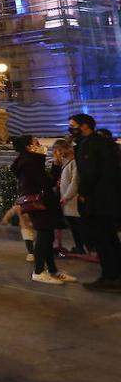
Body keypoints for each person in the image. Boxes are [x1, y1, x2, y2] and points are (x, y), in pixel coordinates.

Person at [11, 135, 73, 285]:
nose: (40, 144)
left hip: (42, 202)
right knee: (44, 237)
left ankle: (52, 271)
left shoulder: (30, 160)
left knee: (48, 237)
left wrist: (56, 164)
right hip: (39, 203)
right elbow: (46, 183)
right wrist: (56, 165)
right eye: (36, 142)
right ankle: (39, 271)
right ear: (29, 147)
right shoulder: (29, 161)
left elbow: (46, 182)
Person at [70, 113, 121, 290]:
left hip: (98, 201)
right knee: (110, 238)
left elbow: (90, 173)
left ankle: (110, 277)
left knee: (103, 240)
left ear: (84, 126)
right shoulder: (104, 142)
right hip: (110, 199)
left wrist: (83, 193)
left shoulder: (90, 144)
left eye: (73, 125)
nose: (71, 129)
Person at [55, 139, 86, 254]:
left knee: (78, 226)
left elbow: (75, 182)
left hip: (72, 200)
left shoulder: (74, 162)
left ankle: (83, 247)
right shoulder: (66, 162)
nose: (59, 152)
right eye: (57, 150)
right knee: (74, 226)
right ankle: (80, 247)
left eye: (61, 149)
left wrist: (66, 196)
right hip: (68, 200)